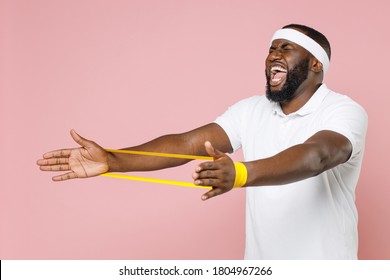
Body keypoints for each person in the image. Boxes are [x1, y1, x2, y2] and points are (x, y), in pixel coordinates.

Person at [37, 24, 368, 259]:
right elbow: (188, 143)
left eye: (286, 48)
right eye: (270, 49)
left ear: (315, 64)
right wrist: (113, 159)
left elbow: (319, 155)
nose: (272, 56)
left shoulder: (343, 110)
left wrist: (240, 174)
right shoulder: (252, 109)